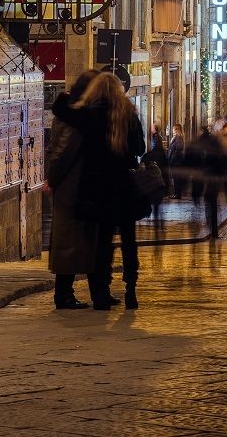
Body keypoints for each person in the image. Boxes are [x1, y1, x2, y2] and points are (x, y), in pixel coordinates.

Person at [60, 71, 146, 310]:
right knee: (129, 241)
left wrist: (69, 95)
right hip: (124, 187)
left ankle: (101, 295)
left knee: (102, 243)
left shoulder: (89, 115)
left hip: (97, 188)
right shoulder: (129, 115)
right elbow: (140, 148)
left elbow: (61, 109)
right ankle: (131, 291)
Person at [45, 70, 99, 309]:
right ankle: (63, 295)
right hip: (71, 186)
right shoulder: (74, 117)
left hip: (72, 184)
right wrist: (54, 180)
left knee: (73, 242)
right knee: (68, 243)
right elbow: (62, 152)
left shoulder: (71, 113)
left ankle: (68, 293)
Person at [167, 123, 186, 199]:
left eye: (173, 128)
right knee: (176, 178)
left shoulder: (178, 137)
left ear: (176, 129)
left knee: (177, 178)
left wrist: (172, 158)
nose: (172, 130)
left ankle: (177, 194)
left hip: (176, 161)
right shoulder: (177, 137)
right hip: (176, 161)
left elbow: (178, 149)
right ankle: (176, 194)